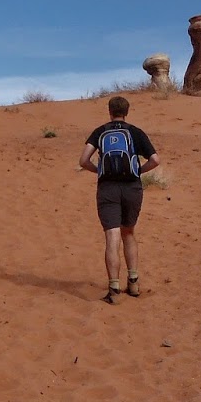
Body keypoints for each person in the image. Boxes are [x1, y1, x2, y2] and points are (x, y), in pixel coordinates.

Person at [79, 95, 160, 304]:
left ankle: (114, 290)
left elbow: (83, 160)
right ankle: (133, 283)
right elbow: (155, 160)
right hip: (132, 187)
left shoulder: (100, 131)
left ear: (109, 111)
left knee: (112, 236)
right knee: (129, 232)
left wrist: (99, 170)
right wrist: (138, 171)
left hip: (107, 188)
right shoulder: (135, 132)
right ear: (126, 111)